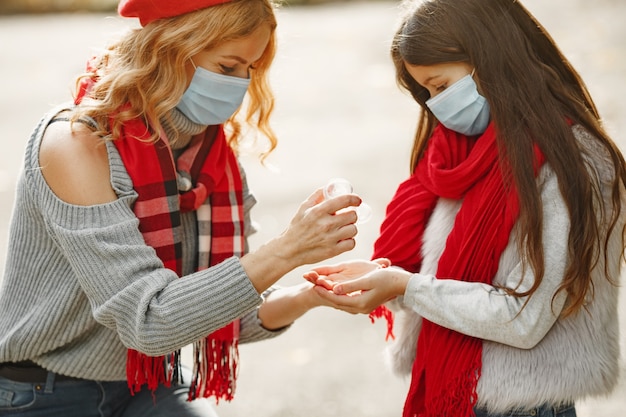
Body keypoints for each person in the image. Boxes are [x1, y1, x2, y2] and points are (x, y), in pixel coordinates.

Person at [0, 0, 363, 416]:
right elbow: (149, 321)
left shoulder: (212, 159)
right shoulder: (75, 146)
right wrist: (286, 249)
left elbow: (223, 310)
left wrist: (312, 294)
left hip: (150, 382)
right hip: (42, 393)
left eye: (251, 68)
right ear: (168, 49)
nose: (241, 84)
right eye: (228, 67)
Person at [304, 0, 626, 416]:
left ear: (490, 60)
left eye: (440, 86)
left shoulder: (573, 163)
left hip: (523, 406)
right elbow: (427, 280)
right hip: (456, 397)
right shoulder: (452, 156)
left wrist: (405, 286)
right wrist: (385, 279)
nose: (435, 104)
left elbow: (523, 317)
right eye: (425, 92)